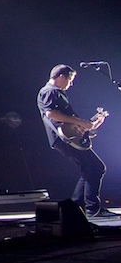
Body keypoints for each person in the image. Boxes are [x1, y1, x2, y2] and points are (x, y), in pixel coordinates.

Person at [37, 64, 113, 218]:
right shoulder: (49, 91)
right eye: (70, 79)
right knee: (97, 167)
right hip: (64, 139)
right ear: (61, 76)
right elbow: (51, 114)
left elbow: (66, 121)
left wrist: (87, 127)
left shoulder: (57, 93)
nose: (71, 84)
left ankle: (76, 207)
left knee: (89, 169)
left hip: (69, 138)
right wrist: (81, 122)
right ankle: (92, 208)